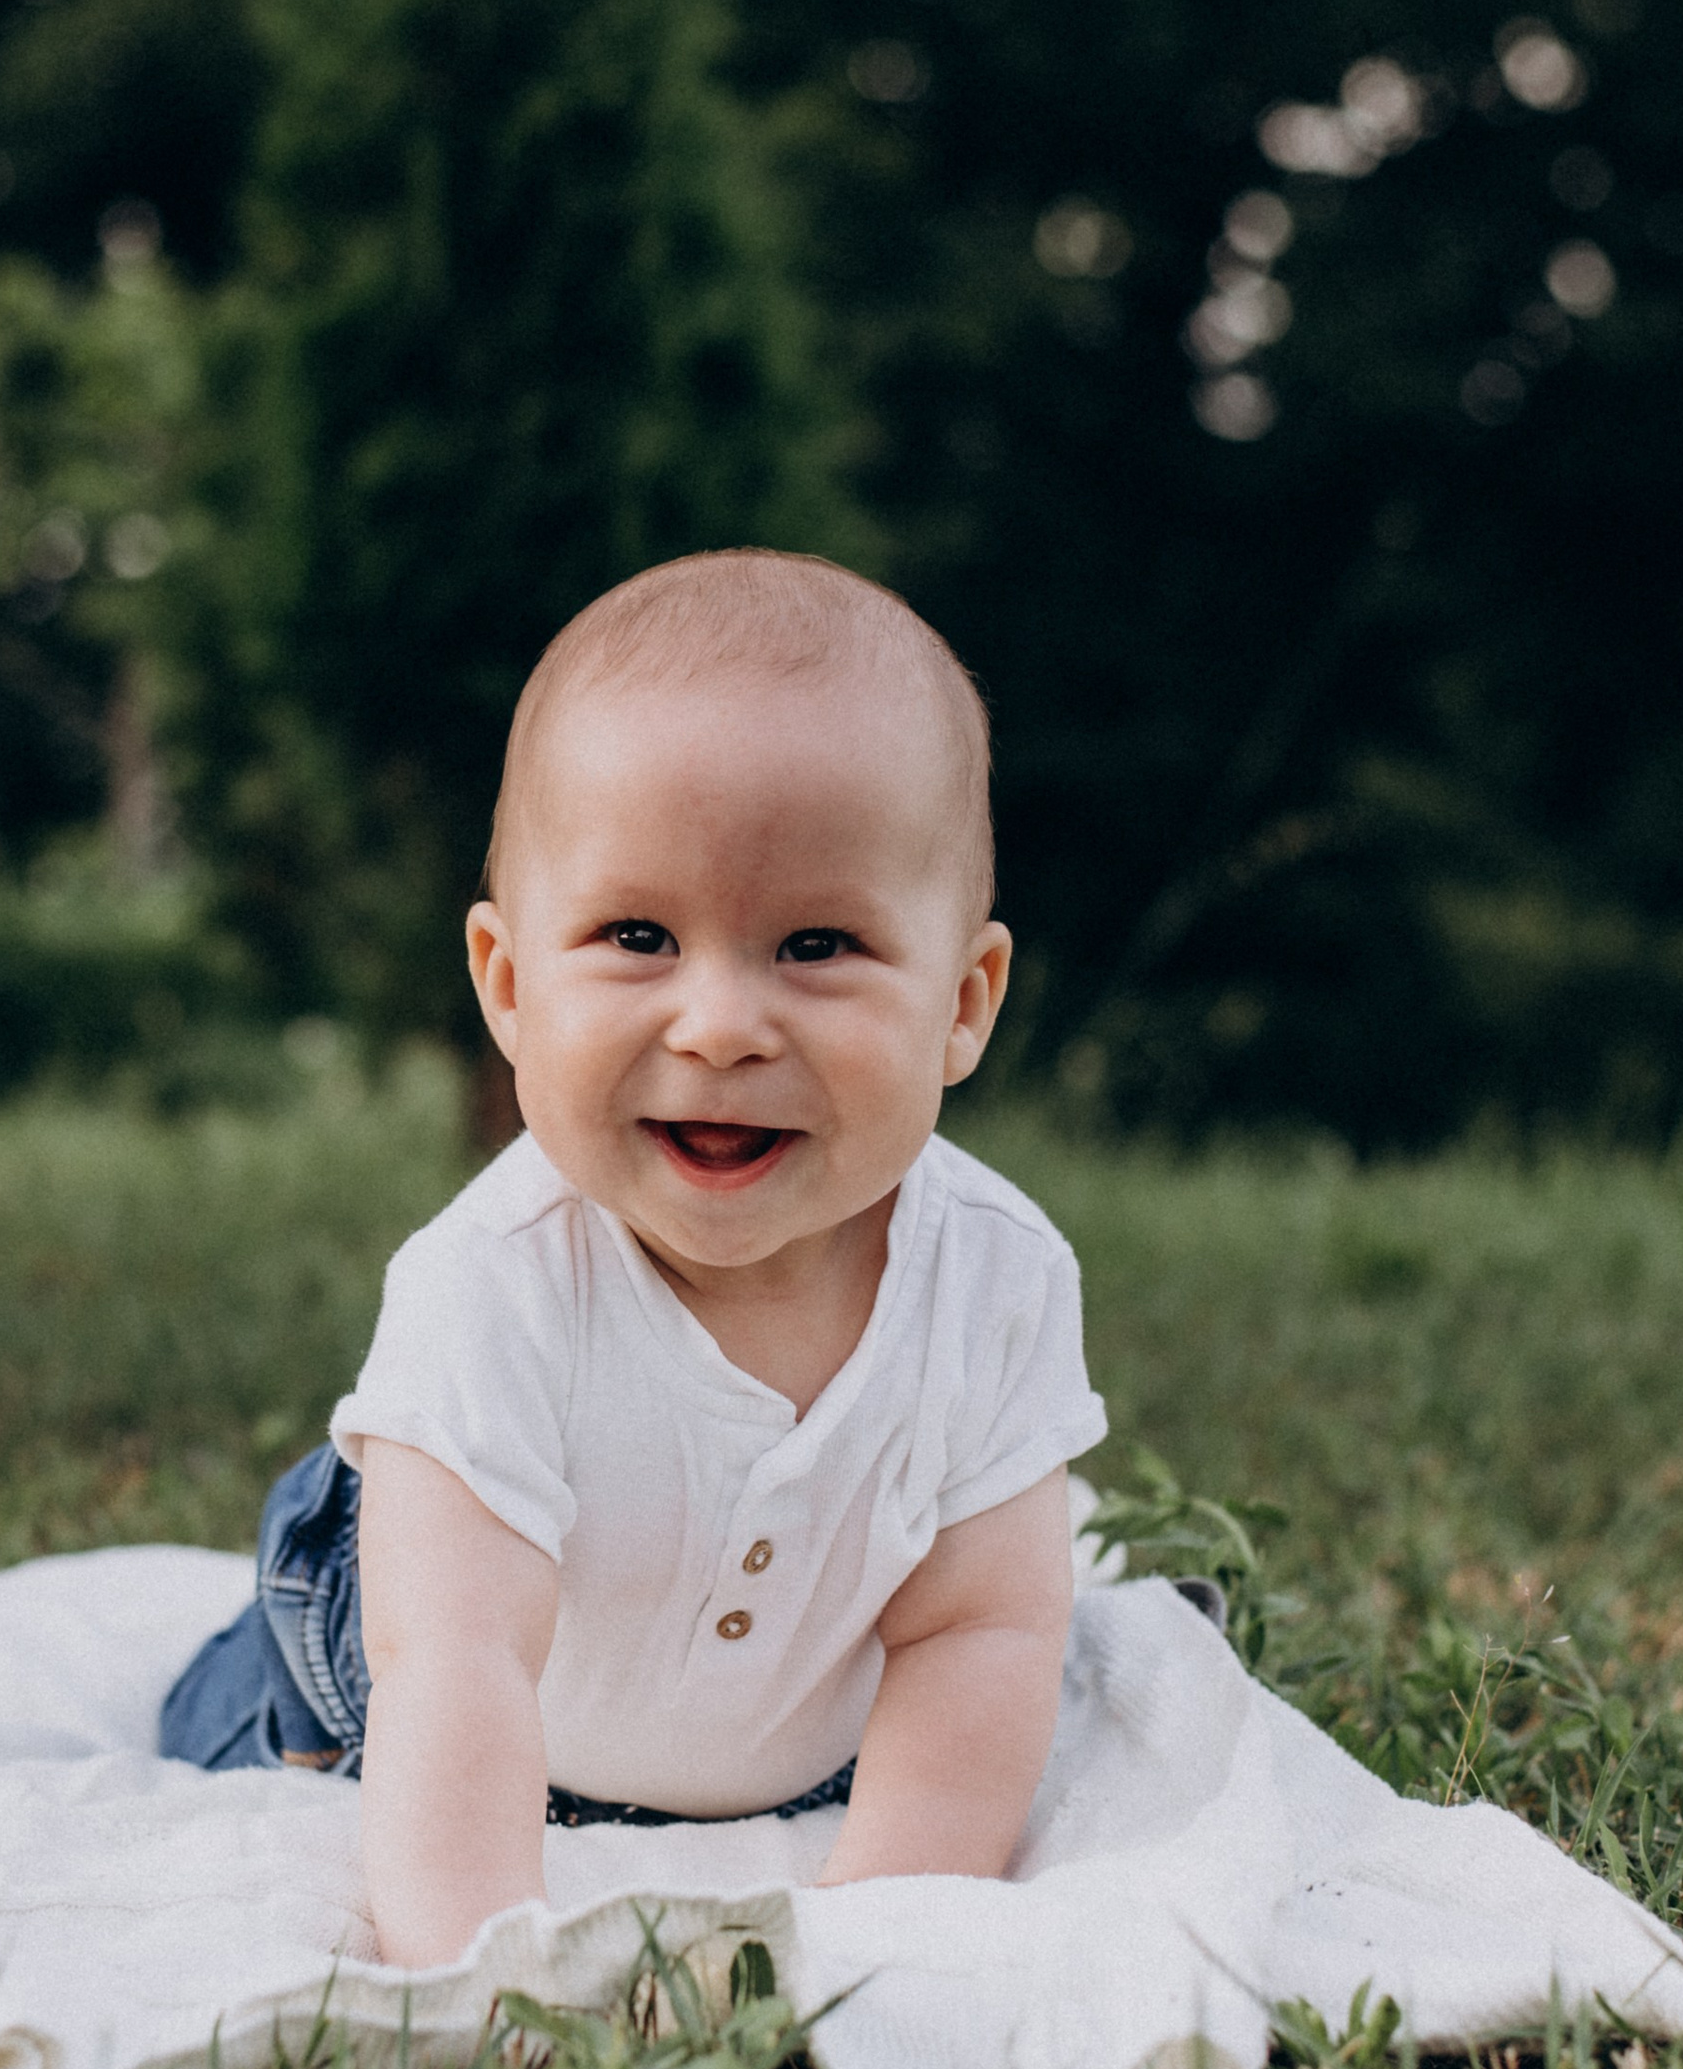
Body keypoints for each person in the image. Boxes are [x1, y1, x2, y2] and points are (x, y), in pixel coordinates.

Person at [160, 547, 1138, 1971]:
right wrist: (489, 1974)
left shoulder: (996, 1280)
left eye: (818, 943)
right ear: (508, 984)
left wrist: (885, 1944)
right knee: (247, 1738)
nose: (722, 1024)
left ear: (963, 1003)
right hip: (415, 1675)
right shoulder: (491, 1284)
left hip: (790, 1725)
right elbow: (455, 1670)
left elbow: (978, 1638)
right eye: (637, 937)